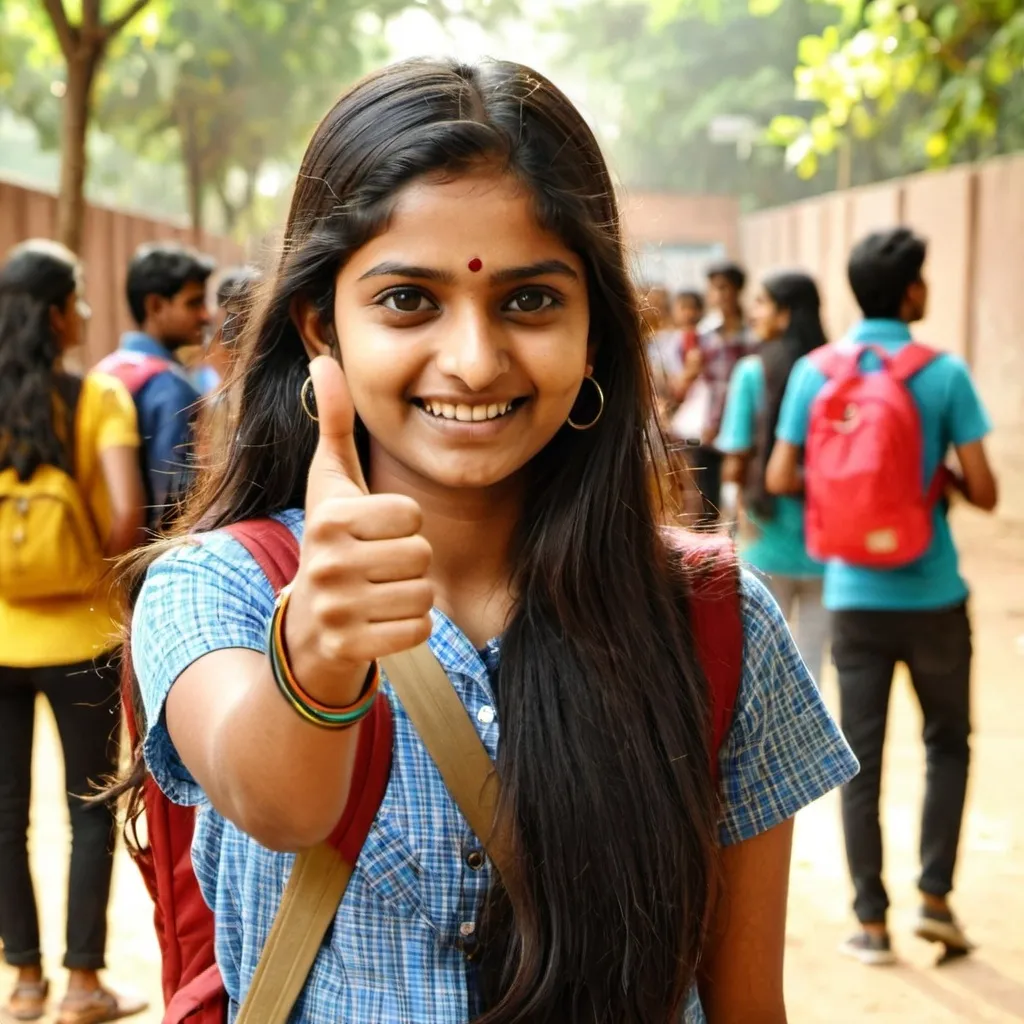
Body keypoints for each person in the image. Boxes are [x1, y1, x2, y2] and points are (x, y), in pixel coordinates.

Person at [127, 58, 857, 1021]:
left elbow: (745, 1003)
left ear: (595, 328)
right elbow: (279, 804)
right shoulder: (216, 587)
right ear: (319, 325)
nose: (473, 361)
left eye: (529, 300)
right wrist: (317, 652)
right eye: (407, 301)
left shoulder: (718, 623)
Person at [767, 228, 998, 965]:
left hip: (852, 597)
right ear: (910, 292)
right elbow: (987, 492)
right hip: (933, 594)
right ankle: (935, 898)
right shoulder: (944, 375)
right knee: (946, 745)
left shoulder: (815, 370)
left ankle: (870, 921)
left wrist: (847, 493)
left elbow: (778, 477)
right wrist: (932, 484)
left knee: (861, 757)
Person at [0, 241, 148, 1023]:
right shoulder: (97, 401)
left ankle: (24, 984)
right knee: (89, 809)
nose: (87, 313)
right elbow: (126, 515)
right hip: (84, 636)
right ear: (57, 314)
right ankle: (84, 986)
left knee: (4, 814)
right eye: (81, 299)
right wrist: (94, 572)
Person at [716, 271, 828, 680]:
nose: (754, 311)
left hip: (763, 535)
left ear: (785, 314)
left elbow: (736, 457)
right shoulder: (831, 372)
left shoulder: (751, 372)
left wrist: (732, 519)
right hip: (826, 540)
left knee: (762, 666)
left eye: (762, 302)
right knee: (813, 663)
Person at [95, 243, 214, 532]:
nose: (205, 315)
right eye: (193, 303)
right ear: (155, 306)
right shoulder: (172, 389)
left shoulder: (104, 372)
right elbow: (174, 505)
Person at [686, 261, 754, 522]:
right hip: (710, 424)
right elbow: (697, 380)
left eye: (724, 288)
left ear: (737, 290)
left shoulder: (752, 332)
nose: (719, 295)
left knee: (740, 495)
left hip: (742, 422)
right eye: (714, 289)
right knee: (707, 498)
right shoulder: (704, 333)